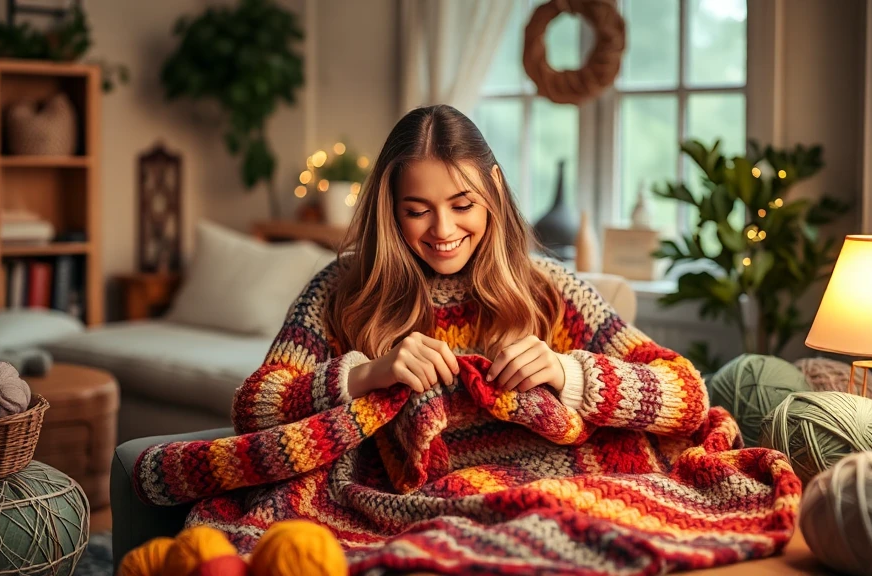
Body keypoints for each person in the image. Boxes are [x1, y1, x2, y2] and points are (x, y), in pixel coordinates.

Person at [232, 104, 706, 437]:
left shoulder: (548, 289)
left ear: (494, 187)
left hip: (533, 501)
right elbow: (253, 408)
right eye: (417, 210)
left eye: (462, 204)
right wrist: (364, 376)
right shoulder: (343, 288)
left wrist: (567, 372)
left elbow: (688, 396)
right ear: (390, 207)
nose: (443, 229)